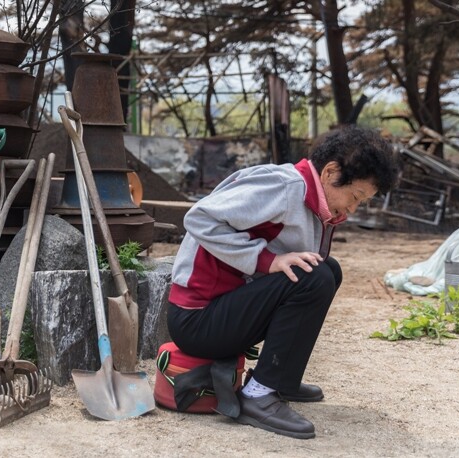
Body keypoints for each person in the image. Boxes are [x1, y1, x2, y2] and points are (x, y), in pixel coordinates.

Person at [167, 125, 399, 439]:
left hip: (225, 312)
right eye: (355, 196)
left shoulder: (312, 200)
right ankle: (258, 395)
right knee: (313, 276)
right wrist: (268, 261)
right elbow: (199, 218)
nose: (353, 209)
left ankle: (280, 381)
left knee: (327, 271)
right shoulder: (284, 187)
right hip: (198, 320)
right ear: (330, 172)